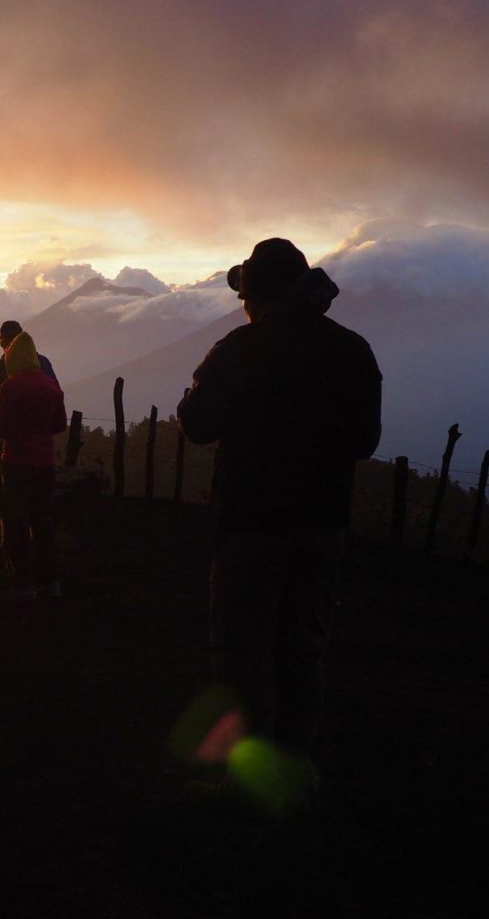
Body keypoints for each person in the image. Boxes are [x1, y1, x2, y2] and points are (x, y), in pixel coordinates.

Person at [178, 237, 382, 772]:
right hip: (322, 525)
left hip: (251, 523)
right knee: (302, 653)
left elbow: (196, 424)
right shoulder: (352, 349)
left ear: (256, 295)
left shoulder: (241, 350)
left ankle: (244, 773)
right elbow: (365, 442)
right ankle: (295, 763)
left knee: (242, 653)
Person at [0, 330, 68, 600]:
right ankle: (51, 581)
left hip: (16, 462)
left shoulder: (10, 387)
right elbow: (60, 425)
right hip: (45, 462)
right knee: (43, 521)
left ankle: (23, 584)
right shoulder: (51, 386)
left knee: (16, 523)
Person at [0, 320, 57, 434]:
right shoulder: (43, 364)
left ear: (1, 341)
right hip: (41, 441)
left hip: (6, 443)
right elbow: (56, 397)